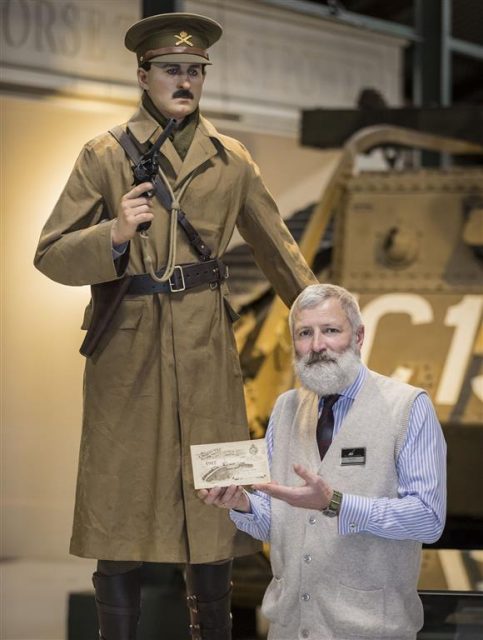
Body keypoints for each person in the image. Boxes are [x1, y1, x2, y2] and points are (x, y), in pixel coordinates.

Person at [33, 11, 317, 640]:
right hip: (128, 348)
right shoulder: (103, 154)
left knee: (218, 500)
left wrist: (327, 315)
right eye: (172, 70)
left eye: (194, 71)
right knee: (120, 502)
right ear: (144, 75)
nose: (185, 81)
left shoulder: (231, 158)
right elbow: (50, 253)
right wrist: (112, 232)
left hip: (208, 345)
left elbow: (278, 248)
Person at [199, 283, 447, 640]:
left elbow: (427, 519)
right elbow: (278, 523)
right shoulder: (285, 409)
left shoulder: (408, 408)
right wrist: (242, 504)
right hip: (288, 628)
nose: (317, 346)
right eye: (305, 333)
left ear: (359, 336)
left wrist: (337, 504)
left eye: (330, 330)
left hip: (369, 631)